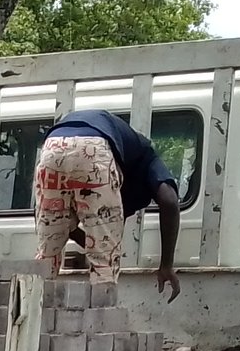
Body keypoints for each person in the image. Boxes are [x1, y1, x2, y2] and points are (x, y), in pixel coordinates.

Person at [31, 106, 181, 300]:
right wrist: (166, 265)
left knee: (47, 255)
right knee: (105, 264)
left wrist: (92, 241)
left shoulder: (126, 150)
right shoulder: (147, 157)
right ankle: (100, 323)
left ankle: (33, 318)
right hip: (95, 148)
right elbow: (169, 201)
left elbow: (65, 228)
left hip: (52, 148)